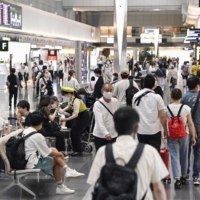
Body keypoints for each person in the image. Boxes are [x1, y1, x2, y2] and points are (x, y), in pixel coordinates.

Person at [87, 107, 168, 200]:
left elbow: (96, 185)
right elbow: (159, 189)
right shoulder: (149, 152)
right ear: (137, 128)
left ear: (115, 128)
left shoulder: (103, 152)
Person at [24, 111, 85, 195]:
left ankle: (67, 170)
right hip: (33, 163)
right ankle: (61, 185)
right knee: (56, 158)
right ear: (41, 122)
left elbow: (46, 150)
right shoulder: (37, 136)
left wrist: (56, 152)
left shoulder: (26, 131)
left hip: (27, 158)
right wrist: (60, 154)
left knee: (53, 149)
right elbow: (47, 153)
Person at [165, 88, 196, 189]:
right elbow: (190, 123)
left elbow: (164, 123)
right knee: (184, 155)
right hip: (184, 134)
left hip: (172, 135)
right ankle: (183, 176)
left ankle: (177, 179)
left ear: (171, 96)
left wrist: (165, 133)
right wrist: (193, 136)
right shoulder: (186, 108)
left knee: (174, 156)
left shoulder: (166, 108)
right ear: (181, 97)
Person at [132, 74, 168, 152]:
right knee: (154, 156)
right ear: (154, 84)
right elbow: (162, 116)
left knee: (143, 155)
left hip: (141, 131)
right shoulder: (157, 97)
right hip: (154, 131)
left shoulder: (135, 96)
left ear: (143, 84)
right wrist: (165, 129)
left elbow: (134, 115)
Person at [181, 76, 200, 186]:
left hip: (186, 129)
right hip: (198, 129)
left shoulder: (184, 97)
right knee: (197, 153)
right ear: (198, 85)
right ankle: (196, 176)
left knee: (186, 152)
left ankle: (186, 173)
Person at [60, 87, 90, 156]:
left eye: (66, 95)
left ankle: (78, 150)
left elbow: (76, 114)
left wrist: (66, 119)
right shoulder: (72, 99)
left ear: (70, 93)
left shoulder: (77, 100)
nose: (66, 96)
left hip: (83, 117)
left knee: (75, 132)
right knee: (73, 131)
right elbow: (69, 106)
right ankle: (76, 149)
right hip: (80, 116)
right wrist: (62, 110)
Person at [93, 84, 119, 151]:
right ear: (102, 91)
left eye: (111, 90)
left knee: (111, 156)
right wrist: (105, 133)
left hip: (113, 134)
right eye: (107, 90)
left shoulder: (115, 101)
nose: (109, 92)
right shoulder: (97, 104)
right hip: (100, 135)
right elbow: (99, 121)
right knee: (101, 156)